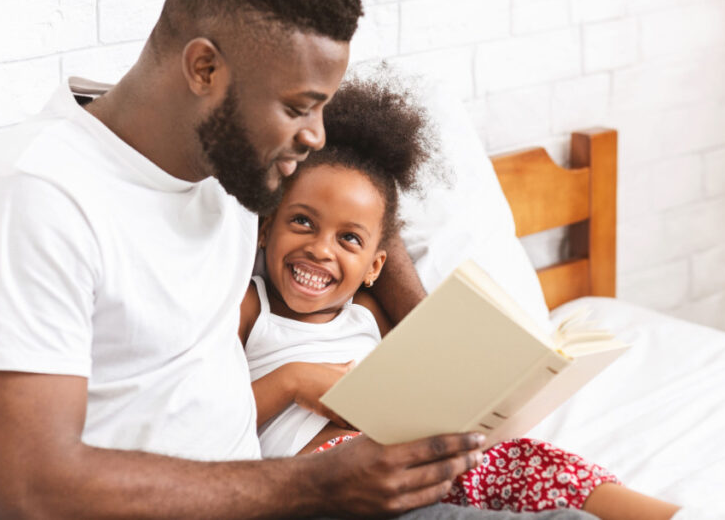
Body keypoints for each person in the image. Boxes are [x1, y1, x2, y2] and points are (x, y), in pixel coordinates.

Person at [0, 0, 597, 518]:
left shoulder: (226, 165)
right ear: (204, 68)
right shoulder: (35, 201)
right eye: (300, 108)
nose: (316, 135)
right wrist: (316, 487)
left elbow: (357, 226)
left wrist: (431, 339)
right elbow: (32, 492)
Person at [240, 76, 683, 520]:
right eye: (301, 222)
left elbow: (419, 386)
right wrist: (293, 381)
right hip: (329, 487)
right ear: (265, 229)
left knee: (526, 461)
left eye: (349, 239)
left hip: (411, 461)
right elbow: (210, 411)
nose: (320, 249)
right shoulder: (250, 309)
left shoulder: (370, 315)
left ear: (376, 266)